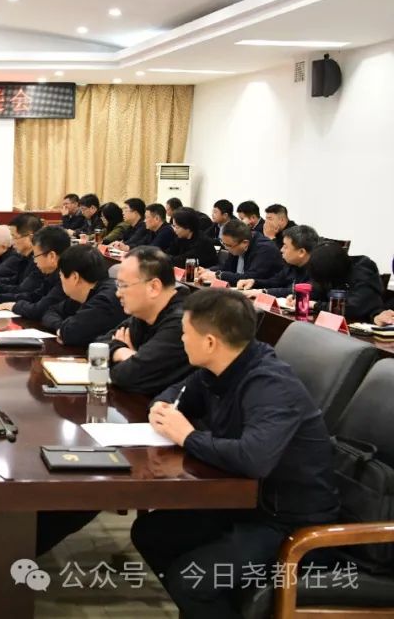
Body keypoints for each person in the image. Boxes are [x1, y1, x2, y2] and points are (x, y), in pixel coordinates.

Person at [135, 288, 339, 618]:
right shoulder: (221, 367)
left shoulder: (270, 384)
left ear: (210, 342)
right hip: (244, 502)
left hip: (289, 523)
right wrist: (163, 406)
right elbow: (179, 392)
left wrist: (187, 436)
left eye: (185, 333)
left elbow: (253, 458)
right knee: (151, 533)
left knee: (192, 581)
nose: (181, 340)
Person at [96, 246, 192, 395]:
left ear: (154, 287)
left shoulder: (183, 324)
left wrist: (126, 357)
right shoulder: (144, 313)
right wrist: (122, 351)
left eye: (123, 285)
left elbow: (125, 376)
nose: (117, 293)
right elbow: (97, 348)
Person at [42, 245, 126, 347]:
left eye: (61, 275)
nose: (61, 281)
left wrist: (64, 330)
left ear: (75, 277)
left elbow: (71, 333)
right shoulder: (83, 294)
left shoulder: (106, 299)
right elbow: (50, 312)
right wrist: (61, 328)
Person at [0, 226, 71, 322]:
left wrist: (15, 306)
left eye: (36, 256)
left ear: (51, 256)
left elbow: (39, 310)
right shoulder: (51, 273)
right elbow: (33, 296)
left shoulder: (66, 277)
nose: (35, 261)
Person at [307, 243, 385, 323]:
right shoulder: (326, 270)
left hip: (361, 323)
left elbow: (351, 308)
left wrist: (315, 305)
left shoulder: (363, 273)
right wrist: (303, 299)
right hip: (335, 322)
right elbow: (314, 290)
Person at [239, 225, 318, 297]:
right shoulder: (292, 265)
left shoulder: (318, 270)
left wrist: (265, 292)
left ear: (301, 252)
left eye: (285, 246)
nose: (281, 250)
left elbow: (298, 291)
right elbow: (275, 281)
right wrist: (254, 282)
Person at [199, 219, 282, 285]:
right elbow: (227, 268)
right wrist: (208, 271)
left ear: (245, 243)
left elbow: (250, 277)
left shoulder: (265, 249)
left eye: (228, 245)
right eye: (223, 243)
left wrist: (218, 275)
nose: (226, 248)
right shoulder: (235, 242)